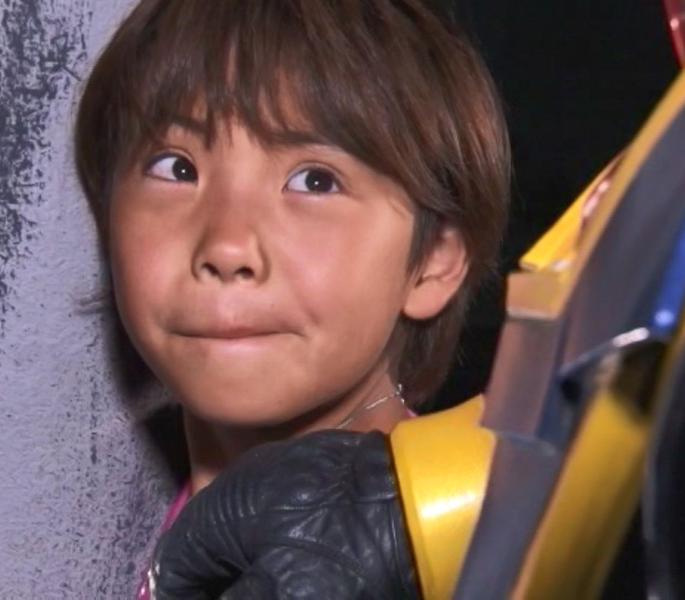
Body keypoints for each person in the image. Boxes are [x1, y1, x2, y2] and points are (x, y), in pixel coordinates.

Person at [72, 0, 510, 596]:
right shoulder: (159, 526)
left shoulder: (475, 555)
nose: (228, 246)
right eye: (176, 168)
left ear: (434, 261)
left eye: (314, 181)